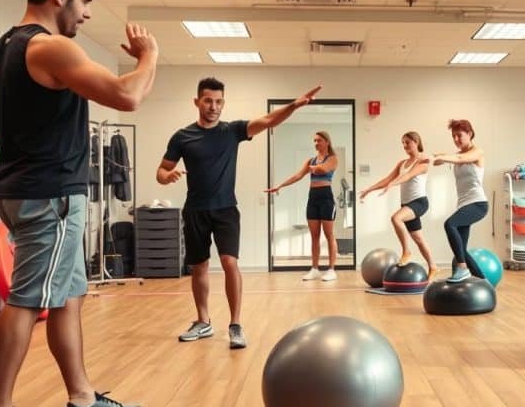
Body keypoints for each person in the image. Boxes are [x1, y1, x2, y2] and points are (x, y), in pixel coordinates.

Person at [0, 0, 157, 407]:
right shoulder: (51, 47)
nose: (88, 12)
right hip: (49, 196)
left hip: (23, 190)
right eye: (86, 0)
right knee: (27, 302)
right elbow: (128, 96)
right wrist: (149, 58)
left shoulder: (2, 49)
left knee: (70, 295)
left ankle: (82, 399)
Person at [159, 79, 321, 348]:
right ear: (197, 101)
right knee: (198, 267)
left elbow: (269, 120)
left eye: (219, 101)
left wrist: (294, 105)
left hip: (226, 210)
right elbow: (161, 171)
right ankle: (203, 321)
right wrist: (169, 176)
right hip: (195, 210)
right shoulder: (182, 137)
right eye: (208, 101)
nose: (214, 106)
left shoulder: (232, 131)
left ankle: (235, 325)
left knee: (229, 263)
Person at [358, 132, 437, 279]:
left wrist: (392, 185)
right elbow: (387, 178)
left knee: (396, 218)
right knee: (418, 239)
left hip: (419, 202)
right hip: (407, 204)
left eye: (407, 142)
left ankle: (406, 251)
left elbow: (408, 176)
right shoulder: (402, 163)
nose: (405, 146)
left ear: (416, 141)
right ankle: (433, 266)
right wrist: (369, 189)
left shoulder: (423, 162)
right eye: (403, 143)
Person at [266, 130, 340, 281]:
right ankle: (315, 268)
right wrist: (280, 186)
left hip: (326, 198)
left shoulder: (332, 158)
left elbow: (323, 169)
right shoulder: (310, 160)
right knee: (314, 236)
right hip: (312, 199)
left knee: (329, 235)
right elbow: (297, 176)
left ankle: (332, 269)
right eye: (314, 141)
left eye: (319, 140)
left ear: (327, 142)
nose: (316, 143)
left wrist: (313, 168)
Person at [433, 120, 488, 282]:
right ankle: (483, 280)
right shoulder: (457, 155)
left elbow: (460, 158)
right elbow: (437, 162)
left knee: (450, 224)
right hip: (464, 204)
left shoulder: (478, 152)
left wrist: (444, 157)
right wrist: (436, 157)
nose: (456, 139)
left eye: (459, 135)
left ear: (470, 134)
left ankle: (462, 268)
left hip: (477, 204)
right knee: (462, 249)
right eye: (453, 136)